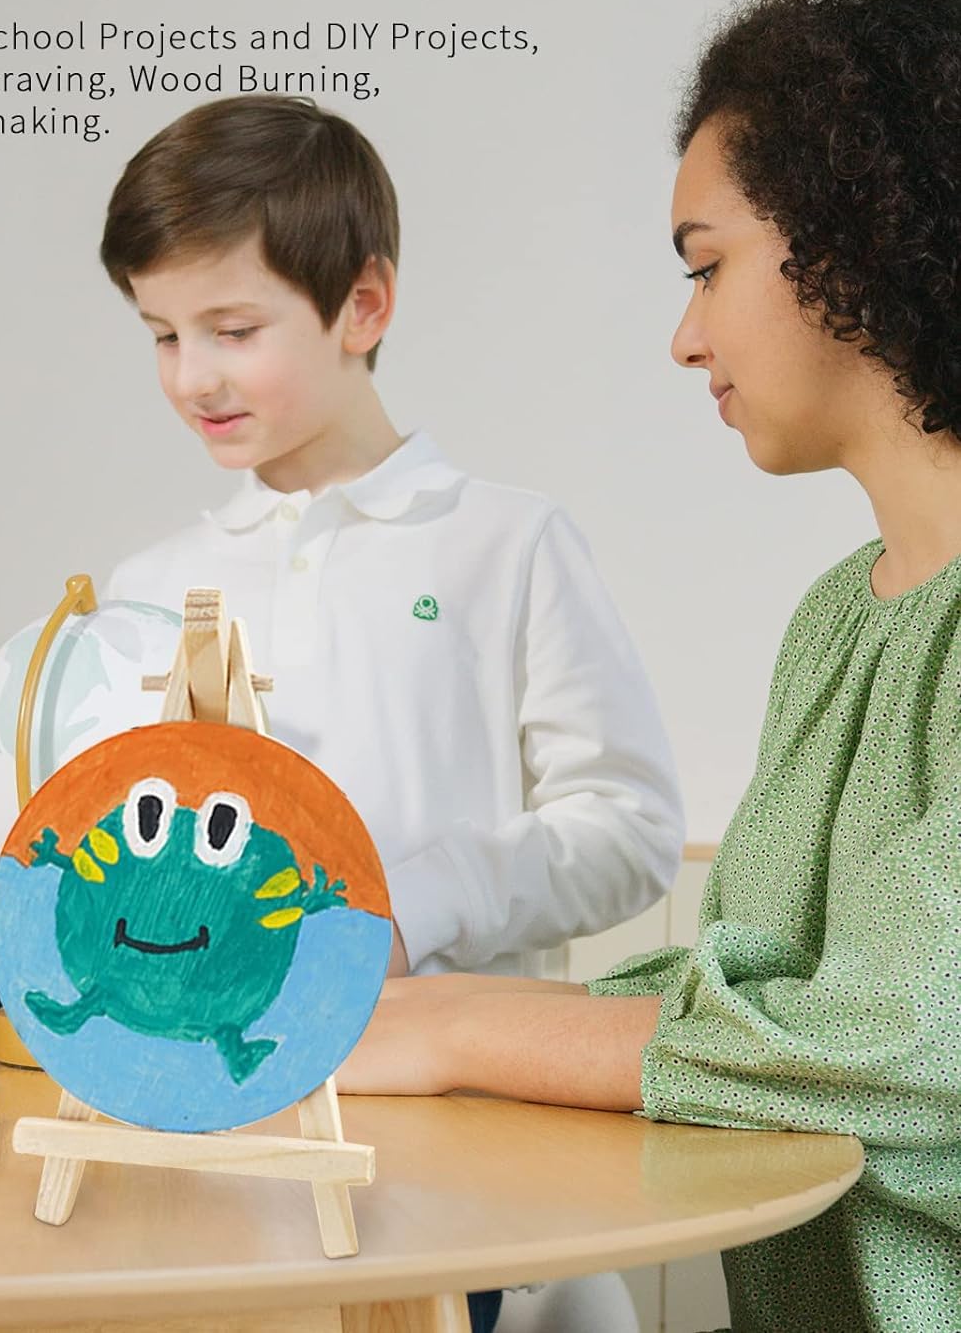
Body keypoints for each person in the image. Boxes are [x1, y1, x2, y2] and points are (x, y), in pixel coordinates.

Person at [341, 0, 961, 1333]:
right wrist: (433, 1009)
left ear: (855, 230)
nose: (686, 340)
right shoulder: (838, 622)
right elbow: (745, 981)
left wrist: (451, 1030)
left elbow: (915, 1037)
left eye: (707, 265)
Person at [97, 95, 685, 1333]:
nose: (191, 376)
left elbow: (630, 827)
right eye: (160, 334)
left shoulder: (507, 544)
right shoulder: (150, 592)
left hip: (473, 1164)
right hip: (238, 1166)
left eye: (233, 327)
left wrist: (417, 901)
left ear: (363, 306)